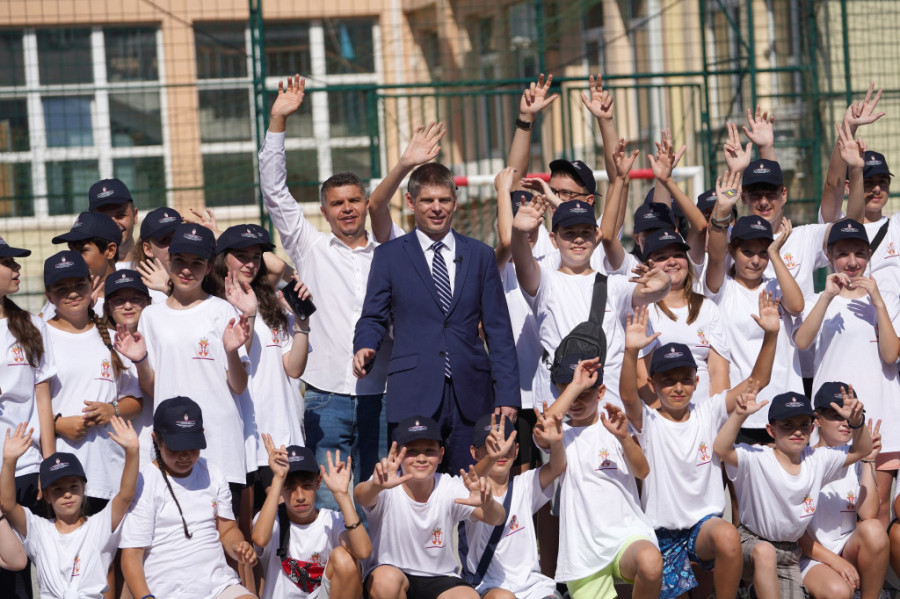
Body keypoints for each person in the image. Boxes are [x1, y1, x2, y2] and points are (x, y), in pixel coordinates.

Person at [259, 74, 389, 509]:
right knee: (333, 508)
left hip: (383, 394)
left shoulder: (391, 251)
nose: (347, 209)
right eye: (337, 203)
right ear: (324, 211)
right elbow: (275, 192)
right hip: (325, 396)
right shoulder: (309, 246)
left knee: (382, 502)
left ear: (366, 204)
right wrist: (278, 120)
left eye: (354, 200)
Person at [353, 161, 520, 473]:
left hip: (472, 396)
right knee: (416, 498)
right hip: (413, 395)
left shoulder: (480, 255)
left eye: (444, 200)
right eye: (428, 200)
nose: (437, 208)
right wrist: (364, 345)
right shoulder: (389, 256)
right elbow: (372, 316)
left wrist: (508, 394)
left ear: (455, 202)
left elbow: (498, 330)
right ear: (411, 202)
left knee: (476, 492)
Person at [620, 297, 779, 599]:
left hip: (702, 528)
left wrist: (771, 335)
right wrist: (630, 352)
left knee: (728, 536)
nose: (678, 387)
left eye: (685, 379)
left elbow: (757, 381)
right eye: (668, 381)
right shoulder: (648, 420)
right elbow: (628, 396)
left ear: (696, 381)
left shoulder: (709, 411)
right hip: (660, 534)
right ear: (652, 384)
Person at [113, 223, 250, 513]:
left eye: (196, 263)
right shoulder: (151, 316)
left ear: (209, 265)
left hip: (220, 443)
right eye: (180, 261)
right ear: (169, 261)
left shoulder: (223, 311)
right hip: (172, 445)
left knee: (227, 541)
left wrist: (231, 352)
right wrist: (140, 362)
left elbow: (238, 386)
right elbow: (153, 389)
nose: (186, 270)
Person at [511, 195, 669, 410]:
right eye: (569, 233)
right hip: (559, 401)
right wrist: (519, 233)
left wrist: (664, 284)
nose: (578, 239)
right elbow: (523, 264)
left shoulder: (616, 285)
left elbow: (649, 293)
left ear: (596, 236)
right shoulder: (545, 281)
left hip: (608, 404)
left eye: (585, 233)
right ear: (554, 239)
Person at [714, 387, 872, 599]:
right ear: (771, 430)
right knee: (765, 552)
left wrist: (857, 423)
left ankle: (754, 592)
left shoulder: (818, 459)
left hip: (789, 553)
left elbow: (862, 450)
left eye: (803, 425)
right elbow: (721, 449)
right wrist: (738, 416)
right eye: (787, 425)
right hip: (750, 542)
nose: (797, 432)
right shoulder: (757, 456)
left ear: (812, 427)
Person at [793, 219, 900, 527]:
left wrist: (878, 301)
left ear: (869, 255)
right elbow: (802, 342)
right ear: (829, 257)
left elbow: (891, 354)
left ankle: (870, 578)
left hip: (881, 416)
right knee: (831, 510)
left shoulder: (887, 300)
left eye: (859, 253)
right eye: (843, 253)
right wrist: (827, 296)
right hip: (832, 419)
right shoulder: (817, 300)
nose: (852, 262)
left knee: (875, 513)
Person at [538, 357, 662, 599]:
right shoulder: (559, 436)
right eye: (567, 392)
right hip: (583, 550)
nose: (575, 402)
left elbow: (643, 472)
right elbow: (544, 430)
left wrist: (624, 437)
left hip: (626, 537)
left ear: (601, 391)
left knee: (651, 563)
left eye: (584, 394)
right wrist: (576, 386)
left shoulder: (616, 427)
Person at [354, 416, 508, 599]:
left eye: (429, 451)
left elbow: (497, 518)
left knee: (468, 596)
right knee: (384, 581)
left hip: (440, 577)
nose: (421, 458)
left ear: (441, 454)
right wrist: (376, 486)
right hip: (392, 572)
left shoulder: (449, 485)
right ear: (396, 455)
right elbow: (360, 495)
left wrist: (489, 502)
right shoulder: (387, 482)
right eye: (411, 451)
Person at [119, 396, 257, 599]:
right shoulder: (145, 483)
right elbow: (132, 554)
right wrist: (145, 596)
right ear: (157, 439)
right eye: (176, 448)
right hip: (166, 591)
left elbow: (227, 529)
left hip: (219, 585)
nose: (185, 456)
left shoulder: (213, 473)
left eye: (192, 447)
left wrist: (238, 546)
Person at [211, 224, 309, 508]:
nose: (250, 263)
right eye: (240, 255)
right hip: (241, 439)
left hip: (281, 434)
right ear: (223, 258)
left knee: (283, 534)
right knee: (250, 533)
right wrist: (247, 313)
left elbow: (294, 368)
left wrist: (303, 326)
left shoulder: (272, 303)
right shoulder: (214, 305)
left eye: (256, 256)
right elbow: (242, 355)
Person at [705, 171, 804, 438]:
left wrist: (775, 254)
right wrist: (722, 209)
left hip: (784, 409)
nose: (756, 260)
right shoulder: (721, 289)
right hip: (742, 412)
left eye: (762, 252)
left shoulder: (775, 285)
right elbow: (713, 255)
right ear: (732, 252)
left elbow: (796, 305)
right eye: (747, 251)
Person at [43, 251, 142, 512]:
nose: (72, 293)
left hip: (109, 471)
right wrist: (57, 424)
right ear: (48, 295)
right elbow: (26, 405)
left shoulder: (112, 338)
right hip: (63, 479)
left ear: (91, 286)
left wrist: (112, 410)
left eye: (79, 285)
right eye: (61, 288)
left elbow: (135, 401)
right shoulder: (39, 337)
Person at [1, 417, 139, 599]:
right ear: (47, 496)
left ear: (83, 489)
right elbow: (8, 505)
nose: (67, 494)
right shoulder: (38, 529)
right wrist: (9, 461)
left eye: (73, 487)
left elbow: (126, 495)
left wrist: (132, 451)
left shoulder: (99, 524)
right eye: (58, 489)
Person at [0, 237, 55, 598]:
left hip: (25, 469)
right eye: (8, 262)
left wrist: (49, 464)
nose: (17, 269)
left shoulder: (31, 326)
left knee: (25, 578)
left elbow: (42, 399)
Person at [799, 382, 888, 599]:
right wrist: (834, 562)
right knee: (839, 592)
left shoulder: (857, 458)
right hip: (810, 555)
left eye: (851, 416)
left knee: (874, 529)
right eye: (836, 415)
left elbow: (868, 515)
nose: (845, 423)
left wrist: (868, 459)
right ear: (817, 419)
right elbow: (795, 533)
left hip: (847, 549)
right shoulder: (803, 458)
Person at [252, 438, 371, 599]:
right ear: (281, 489)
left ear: (318, 482)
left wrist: (342, 496)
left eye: (307, 486)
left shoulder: (332, 520)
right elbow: (259, 540)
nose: (300, 496)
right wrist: (278, 479)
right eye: (290, 488)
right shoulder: (271, 520)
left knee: (345, 559)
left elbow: (363, 552)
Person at [463, 412, 565, 599]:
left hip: (533, 586)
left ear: (516, 450)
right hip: (490, 586)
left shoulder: (525, 485)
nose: (500, 453)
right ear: (475, 453)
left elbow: (557, 467)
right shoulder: (470, 491)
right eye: (492, 447)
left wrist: (557, 443)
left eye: (506, 446)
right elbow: (473, 478)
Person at [639, 229, 731, 399]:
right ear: (647, 266)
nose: (672, 261)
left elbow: (719, 372)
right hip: (661, 418)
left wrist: (715, 417)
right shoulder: (643, 310)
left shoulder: (707, 308)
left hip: (705, 418)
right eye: (661, 257)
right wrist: (665, 421)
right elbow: (641, 378)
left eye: (678, 255)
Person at [101, 270, 154, 468]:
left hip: (156, 442)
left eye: (136, 299)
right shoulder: (99, 342)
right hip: (115, 448)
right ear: (107, 306)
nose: (128, 305)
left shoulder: (160, 337)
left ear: (148, 302)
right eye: (119, 300)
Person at [42, 211, 122, 321]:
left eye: (83, 250)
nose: (75, 259)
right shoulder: (63, 300)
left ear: (110, 250)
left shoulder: (134, 298)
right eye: (72, 251)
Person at [131, 206, 183, 304]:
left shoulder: (200, 279)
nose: (174, 246)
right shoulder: (139, 292)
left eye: (177, 237)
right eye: (166, 240)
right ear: (148, 249)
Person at [88, 178, 139, 269]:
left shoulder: (157, 265)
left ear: (135, 216)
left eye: (120, 215)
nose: (113, 224)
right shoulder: (83, 272)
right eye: (104, 218)